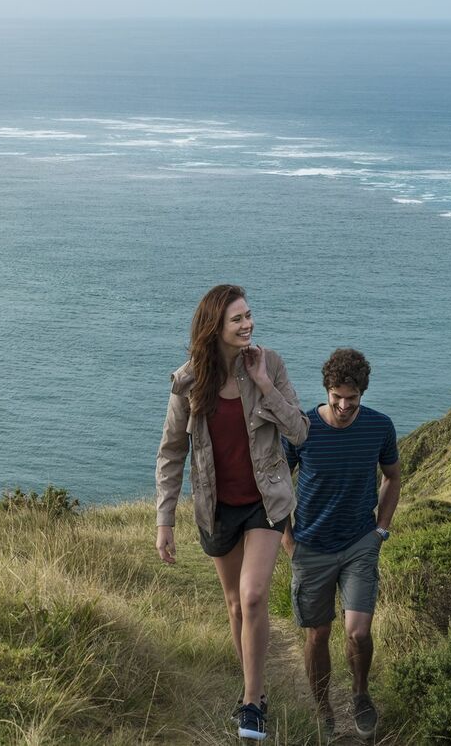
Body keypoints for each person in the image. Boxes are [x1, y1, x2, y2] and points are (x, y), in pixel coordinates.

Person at [155, 284, 309, 741]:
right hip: (216, 506)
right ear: (214, 328)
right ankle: (254, 691)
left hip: (267, 501)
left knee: (255, 595)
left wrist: (263, 383)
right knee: (235, 604)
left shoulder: (271, 363)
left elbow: (299, 431)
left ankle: (250, 703)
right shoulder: (187, 382)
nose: (248, 325)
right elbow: (170, 453)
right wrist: (165, 520)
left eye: (249, 315)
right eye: (238, 319)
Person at [282, 348, 402, 739]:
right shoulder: (302, 429)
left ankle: (361, 694)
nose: (345, 404)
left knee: (358, 632)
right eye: (337, 396)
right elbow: (276, 484)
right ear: (326, 390)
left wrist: (380, 528)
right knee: (317, 634)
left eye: (352, 397)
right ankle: (323, 709)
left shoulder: (379, 427)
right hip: (310, 546)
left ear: (362, 393)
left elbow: (392, 477)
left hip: (358, 544)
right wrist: (286, 539)